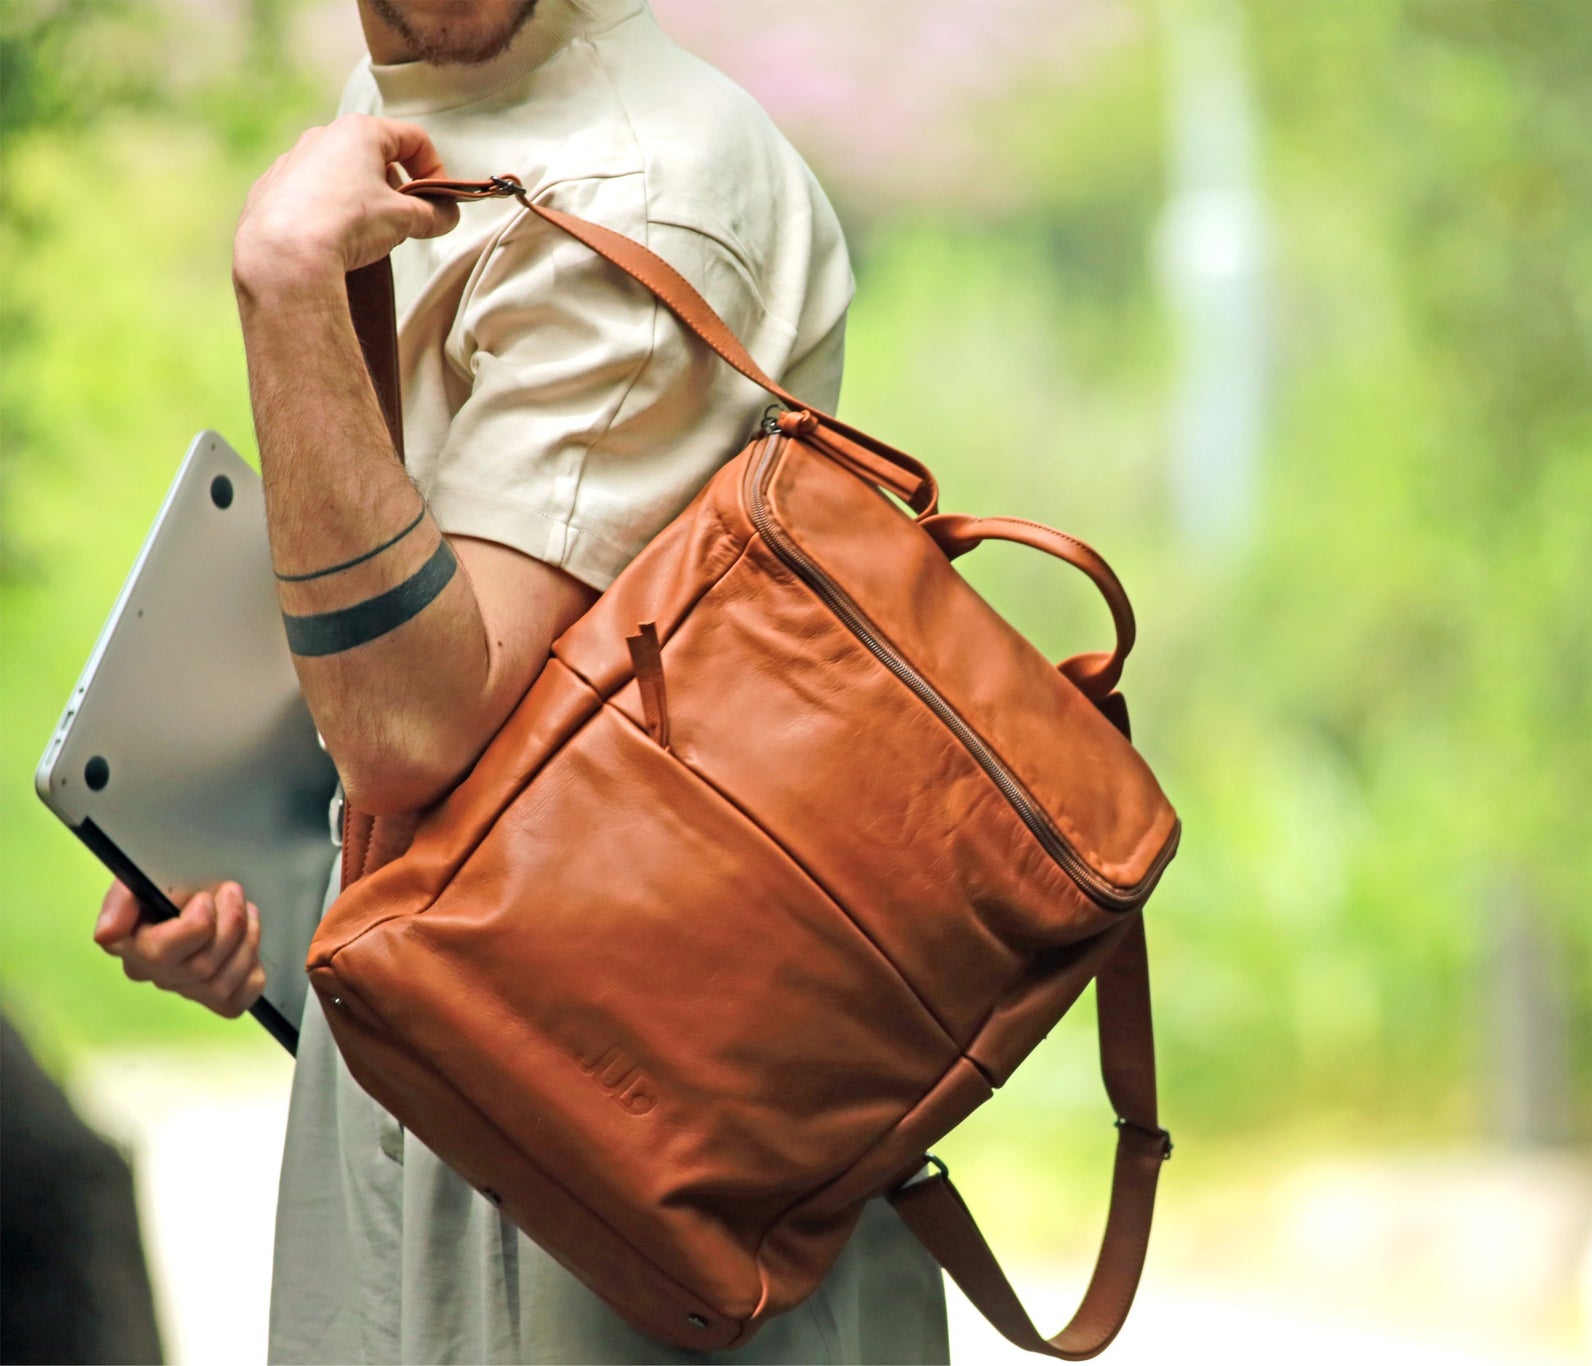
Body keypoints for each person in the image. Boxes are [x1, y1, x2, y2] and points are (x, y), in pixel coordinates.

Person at [89, 1, 950, 1360]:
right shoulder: (414, 110)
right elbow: (480, 738)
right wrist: (258, 878)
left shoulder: (642, 186)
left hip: (624, 1156)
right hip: (478, 1084)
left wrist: (286, 279)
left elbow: (420, 729)